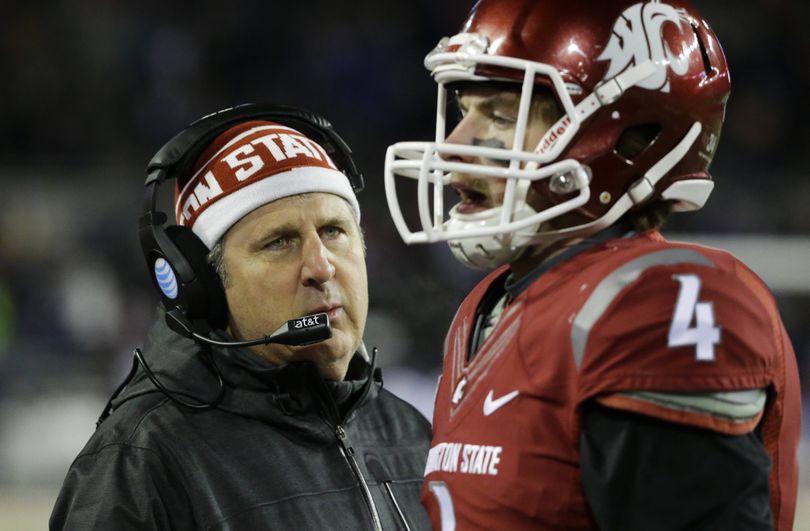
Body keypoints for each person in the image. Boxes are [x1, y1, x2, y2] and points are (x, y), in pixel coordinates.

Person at [384, 1, 802, 529]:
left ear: (633, 135)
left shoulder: (662, 300)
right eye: (465, 110)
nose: (452, 147)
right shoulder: (485, 305)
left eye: (501, 115)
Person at [51, 104, 432, 530]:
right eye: (279, 242)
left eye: (333, 231)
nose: (321, 267)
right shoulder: (142, 461)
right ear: (207, 288)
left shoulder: (410, 434)